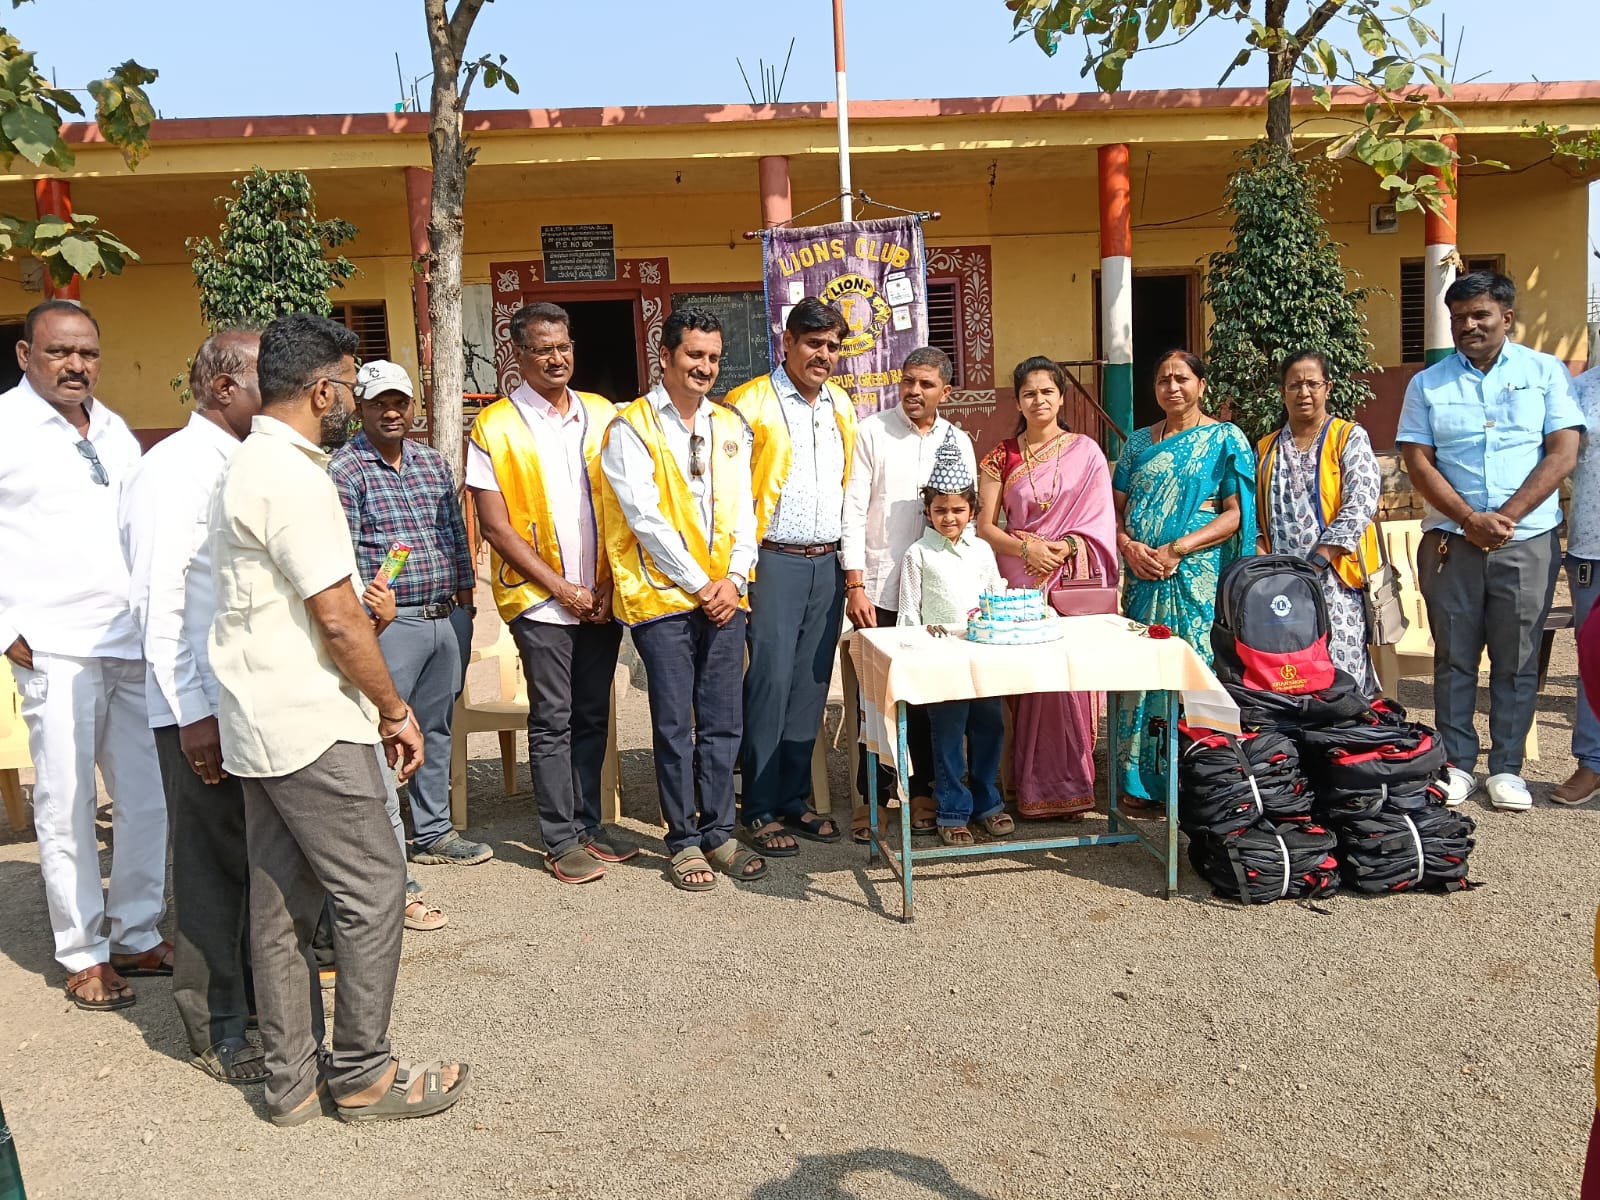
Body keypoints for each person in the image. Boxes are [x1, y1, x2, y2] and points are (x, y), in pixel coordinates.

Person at [209, 312, 467, 1126]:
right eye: (350, 388)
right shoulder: (294, 476)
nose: (352, 402)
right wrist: (396, 709)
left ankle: (290, 1083)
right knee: (374, 885)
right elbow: (339, 619)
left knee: (282, 902)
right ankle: (362, 1073)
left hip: (262, 721)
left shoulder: (251, 463)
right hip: (314, 722)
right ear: (323, 389)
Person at [0, 299, 168, 1011]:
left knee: (147, 799)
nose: (76, 365)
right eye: (60, 352)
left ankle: (135, 929)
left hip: (127, 641)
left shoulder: (113, 428)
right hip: (54, 647)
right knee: (66, 805)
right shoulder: (6, 426)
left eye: (87, 353)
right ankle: (84, 952)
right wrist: (6, 627)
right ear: (25, 355)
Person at [119, 328, 268, 1082]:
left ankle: (259, 1009)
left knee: (253, 864)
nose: (274, 391)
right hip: (198, 710)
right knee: (211, 872)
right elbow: (161, 602)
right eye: (260, 378)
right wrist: (192, 716)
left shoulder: (241, 462)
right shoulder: (173, 471)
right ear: (219, 386)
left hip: (244, 702)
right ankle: (218, 1029)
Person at [1397, 271, 1583, 812]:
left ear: (1507, 316)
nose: (1468, 326)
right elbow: (1417, 460)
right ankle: (1456, 763)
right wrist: (1467, 518)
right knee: (1454, 656)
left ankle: (1507, 769)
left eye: (1480, 315)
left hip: (1526, 539)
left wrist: (1504, 516)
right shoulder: (1427, 384)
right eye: (1458, 317)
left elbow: (1562, 453)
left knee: (1518, 657)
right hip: (1452, 541)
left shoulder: (1544, 373)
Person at [598, 307, 767, 891]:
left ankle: (720, 832)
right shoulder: (631, 427)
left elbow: (746, 510)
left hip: (725, 595)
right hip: (664, 597)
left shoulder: (729, 425)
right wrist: (700, 585)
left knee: (723, 720)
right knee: (675, 722)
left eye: (714, 358)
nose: (705, 368)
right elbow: (645, 518)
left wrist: (736, 579)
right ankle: (684, 839)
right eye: (694, 355)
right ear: (664, 357)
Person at [467, 303, 632, 883]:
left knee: (592, 715)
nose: (556, 357)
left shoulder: (604, 414)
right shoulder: (494, 427)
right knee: (553, 718)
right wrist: (563, 589)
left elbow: (627, 503)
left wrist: (606, 584)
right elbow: (496, 526)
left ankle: (590, 824)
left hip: (602, 595)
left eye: (563, 345)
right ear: (518, 354)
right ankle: (561, 839)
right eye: (543, 348)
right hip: (539, 600)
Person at [331, 359, 488, 870]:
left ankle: (433, 830)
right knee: (385, 728)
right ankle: (383, 848)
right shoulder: (345, 470)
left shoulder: (432, 463)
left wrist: (466, 602)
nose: (392, 412)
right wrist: (367, 614)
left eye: (400, 402)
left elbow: (455, 536)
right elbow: (346, 554)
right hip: (392, 623)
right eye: (380, 403)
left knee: (437, 726)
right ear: (360, 407)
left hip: (446, 616)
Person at [729, 297, 855, 856]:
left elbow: (851, 487)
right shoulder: (747, 403)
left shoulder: (841, 406)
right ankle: (756, 807)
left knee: (809, 684)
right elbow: (729, 492)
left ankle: (794, 799)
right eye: (813, 343)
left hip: (825, 561)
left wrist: (850, 571)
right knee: (770, 682)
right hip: (771, 559)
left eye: (832, 346)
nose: (823, 355)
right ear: (788, 342)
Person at [840, 345, 975, 841]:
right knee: (876, 697)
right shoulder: (873, 432)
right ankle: (872, 798)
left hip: (938, 596)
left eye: (926, 384)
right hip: (879, 586)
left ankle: (921, 794)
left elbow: (968, 517)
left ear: (946, 390)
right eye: (908, 382)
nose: (914, 392)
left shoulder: (957, 441)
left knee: (924, 697)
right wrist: (855, 583)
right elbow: (852, 511)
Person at [976, 356, 1117, 820]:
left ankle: (1068, 787)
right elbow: (985, 528)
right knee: (1025, 687)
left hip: (1068, 578)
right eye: (1029, 393)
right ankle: (1021, 787)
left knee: (1066, 683)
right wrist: (1027, 549)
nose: (1039, 400)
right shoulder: (1001, 456)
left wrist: (1071, 543)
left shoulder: (1087, 451)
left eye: (1047, 392)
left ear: (1061, 397)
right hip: (1018, 587)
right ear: (1017, 400)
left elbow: (1100, 521)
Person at [1112, 349, 1256, 804]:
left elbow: (1235, 515)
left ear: (1201, 384)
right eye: (1162, 379)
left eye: (1181, 378)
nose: (1172, 387)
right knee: (1142, 669)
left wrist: (1178, 548)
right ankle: (1139, 781)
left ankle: (1200, 775)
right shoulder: (1137, 443)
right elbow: (1113, 514)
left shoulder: (1224, 438)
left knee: (1195, 668)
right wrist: (1129, 547)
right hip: (1141, 576)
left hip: (1194, 574)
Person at [896, 436, 1011, 847]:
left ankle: (988, 802)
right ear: (927, 510)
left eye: (958, 509)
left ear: (972, 511)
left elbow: (996, 593)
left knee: (989, 726)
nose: (949, 517)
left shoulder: (981, 550)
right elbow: (909, 612)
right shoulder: (918, 554)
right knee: (946, 735)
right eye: (940, 509)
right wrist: (915, 654)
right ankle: (951, 808)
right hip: (941, 661)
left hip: (981, 656)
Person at [1255, 349, 1384, 697]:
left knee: (1341, 669)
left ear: (1328, 388)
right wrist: (1267, 561)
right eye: (1294, 385)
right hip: (1283, 582)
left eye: (1312, 383)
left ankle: (1348, 743)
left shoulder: (1347, 437)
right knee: (1290, 669)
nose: (1304, 392)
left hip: (1335, 577)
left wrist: (1321, 557)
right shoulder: (1267, 448)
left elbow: (1361, 501)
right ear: (1283, 392)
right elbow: (1255, 516)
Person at [1554, 359, 1600, 806]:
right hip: (1593, 544)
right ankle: (1593, 762)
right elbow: (1563, 458)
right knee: (1593, 659)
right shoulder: (1579, 390)